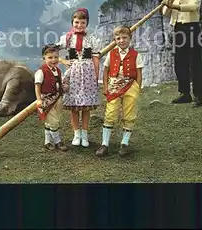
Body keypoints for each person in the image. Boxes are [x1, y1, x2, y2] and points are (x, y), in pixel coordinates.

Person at [96, 25, 143, 157]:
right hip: (114, 86)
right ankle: (105, 144)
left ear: (130, 38)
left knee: (129, 114)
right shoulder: (111, 54)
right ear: (114, 40)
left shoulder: (135, 55)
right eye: (118, 38)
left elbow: (139, 73)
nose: (121, 40)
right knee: (110, 113)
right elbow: (105, 71)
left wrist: (137, 88)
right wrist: (105, 87)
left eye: (124, 37)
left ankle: (124, 143)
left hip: (130, 86)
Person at [56, 8, 100, 147]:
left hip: (87, 74)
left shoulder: (92, 39)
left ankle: (85, 135)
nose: (79, 25)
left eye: (82, 22)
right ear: (72, 22)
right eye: (76, 22)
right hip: (73, 74)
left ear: (86, 23)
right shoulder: (67, 38)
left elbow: (96, 60)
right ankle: (76, 134)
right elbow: (52, 51)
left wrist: (96, 76)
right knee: (74, 106)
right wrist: (63, 61)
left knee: (86, 107)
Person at [161, 0, 202, 107]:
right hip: (178, 29)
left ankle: (198, 95)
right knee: (180, 62)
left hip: (192, 29)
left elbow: (193, 7)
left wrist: (173, 5)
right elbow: (165, 12)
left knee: (194, 62)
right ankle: (185, 94)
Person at [34, 44, 69, 151]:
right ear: (44, 58)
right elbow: (37, 85)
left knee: (55, 119)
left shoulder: (57, 70)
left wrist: (64, 86)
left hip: (57, 98)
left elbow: (59, 83)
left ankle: (47, 142)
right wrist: (39, 99)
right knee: (54, 122)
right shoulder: (41, 71)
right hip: (46, 100)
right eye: (50, 57)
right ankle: (58, 141)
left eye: (56, 57)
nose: (53, 60)